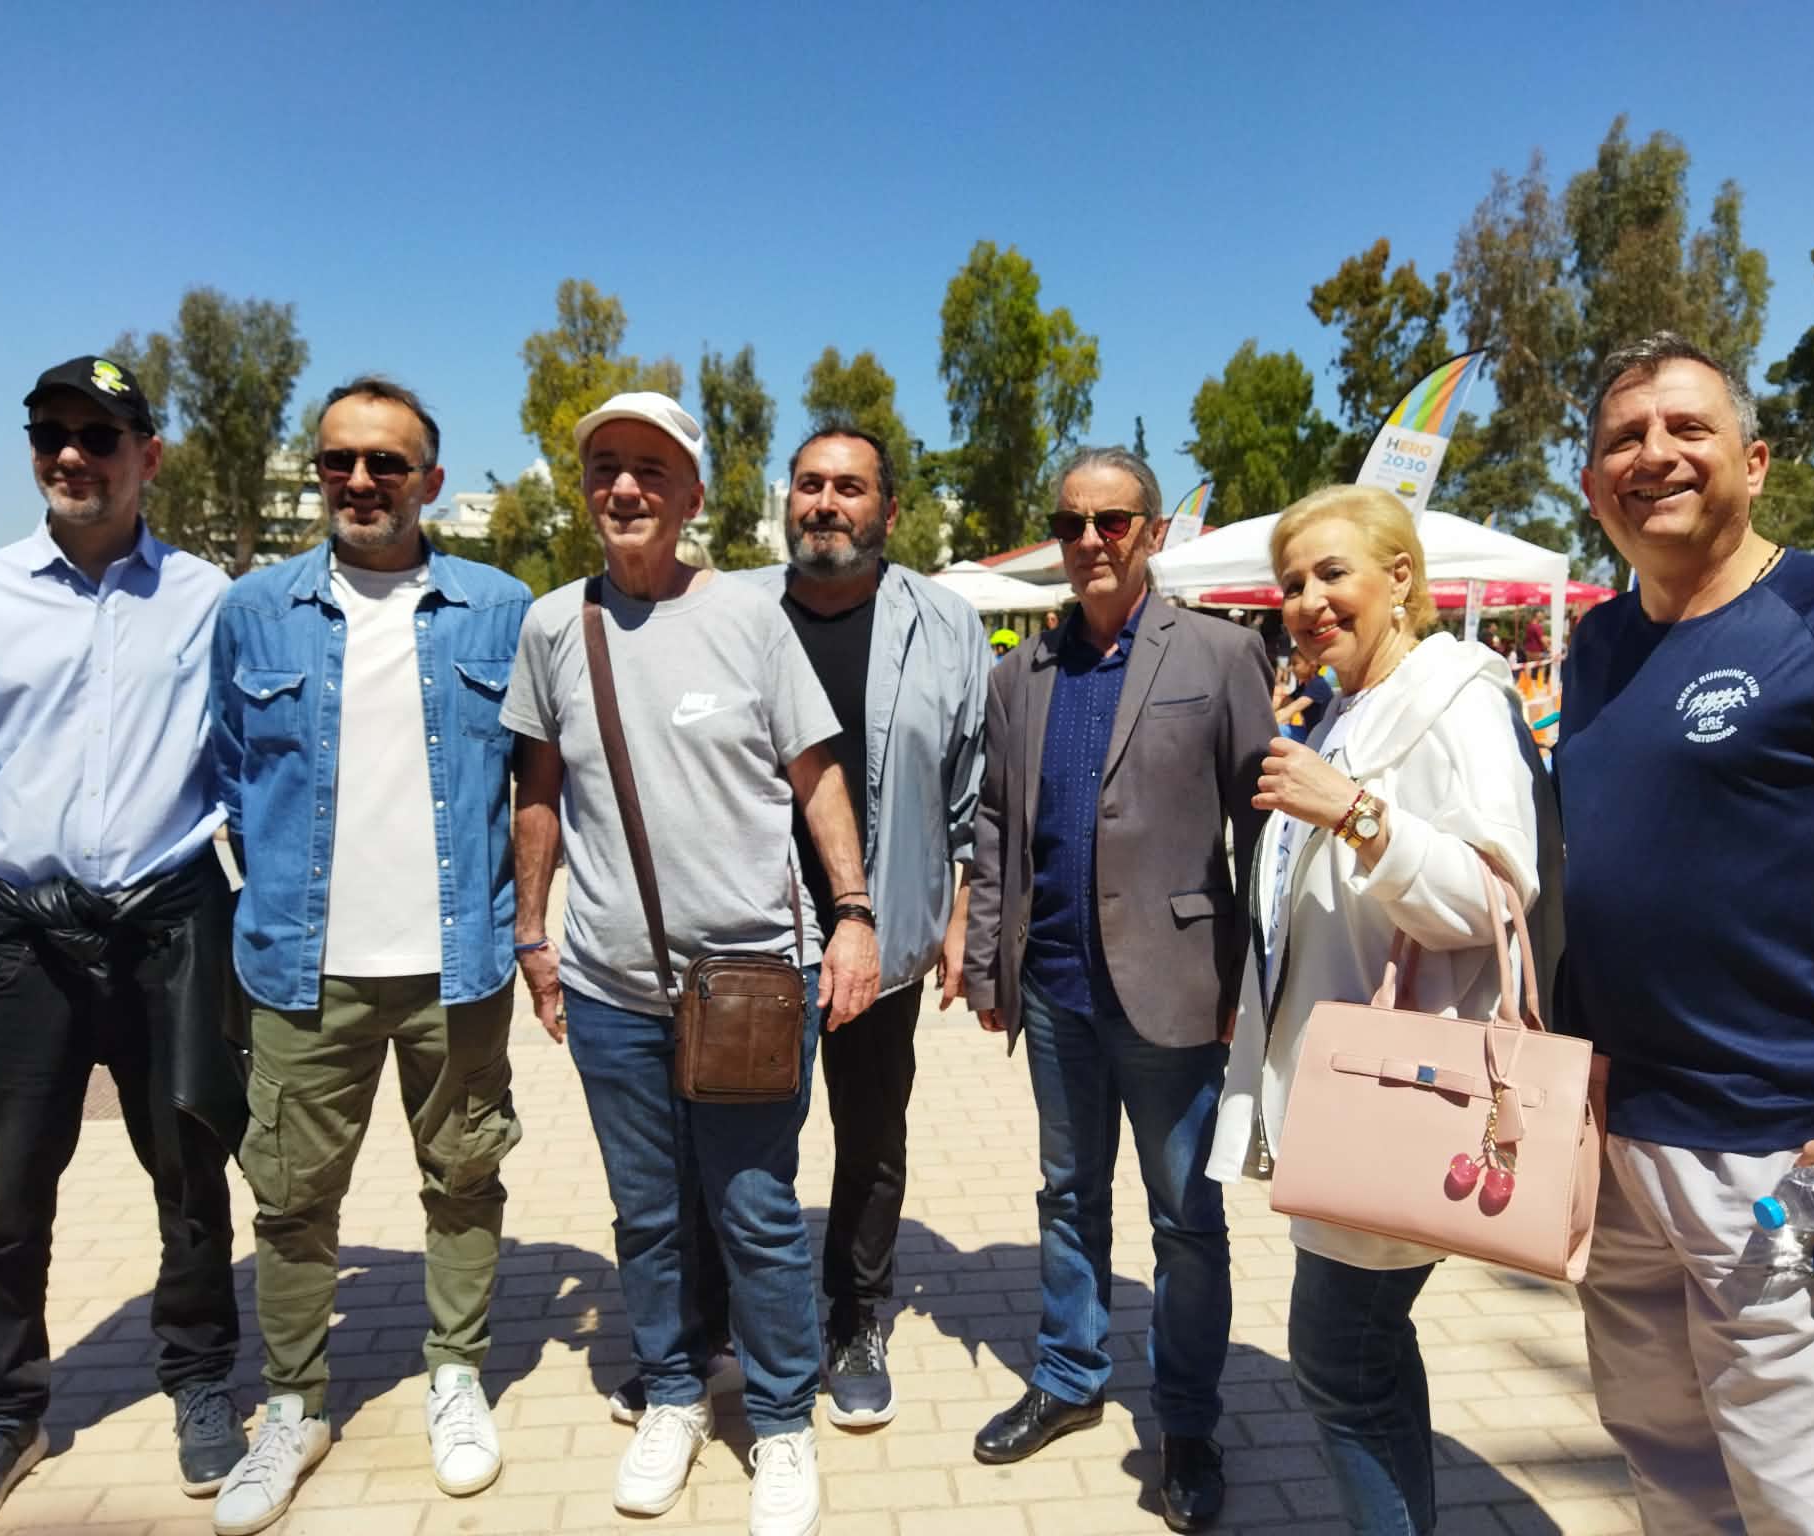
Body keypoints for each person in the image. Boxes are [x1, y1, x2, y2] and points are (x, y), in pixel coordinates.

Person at [1558, 332, 1814, 1533]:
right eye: (1622, 438)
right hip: (1620, 1150)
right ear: (1590, 487)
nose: (1653, 454)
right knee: (1669, 1482)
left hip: (1784, 1153)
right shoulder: (1595, 647)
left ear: (1755, 461)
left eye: (1687, 428)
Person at [504, 391, 882, 1536]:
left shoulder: (751, 619)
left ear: (692, 495)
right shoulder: (552, 627)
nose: (624, 487)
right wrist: (532, 933)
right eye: (605, 467)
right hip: (611, 985)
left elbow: (817, 777)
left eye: (650, 469)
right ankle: (672, 1393)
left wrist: (853, 913)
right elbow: (538, 792)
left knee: (756, 1212)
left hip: (751, 983)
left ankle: (780, 1419)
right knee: (648, 1216)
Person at [0, 357, 247, 1535]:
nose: (69, 455)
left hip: (169, 927)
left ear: (146, 456)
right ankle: (5, 1411)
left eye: (97, 437)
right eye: (49, 433)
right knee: (6, 1194)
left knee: (191, 1173)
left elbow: (244, 769)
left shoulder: (209, 598)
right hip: (18, 938)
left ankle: (200, 1378)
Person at [599, 427, 992, 1434]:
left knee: (869, 1137)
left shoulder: (945, 625)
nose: (825, 504)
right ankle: (709, 1331)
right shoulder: (727, 610)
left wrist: (962, 914)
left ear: (887, 511)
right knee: (719, 1152)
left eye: (849, 488)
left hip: (879, 939)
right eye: (809, 485)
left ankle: (853, 1317)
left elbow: (971, 788)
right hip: (746, 942)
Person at [205, 378, 532, 1533]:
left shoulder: (499, 609)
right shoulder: (255, 611)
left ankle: (455, 1374)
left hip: (460, 964)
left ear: (428, 481)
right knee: (290, 1198)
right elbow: (229, 776)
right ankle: (293, 1405)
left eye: (385, 462)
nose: (358, 481)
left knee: (464, 1177)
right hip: (303, 970)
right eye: (337, 460)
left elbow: (537, 783)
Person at [1207, 484, 1552, 1535]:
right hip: (1344, 1090)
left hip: (1401, 1098)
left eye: (1332, 573)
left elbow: (1495, 895)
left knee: (1337, 1362)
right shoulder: (1347, 706)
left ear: (1400, 578)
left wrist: (1356, 813)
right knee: (1368, 1357)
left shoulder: (1455, 695)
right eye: (1292, 584)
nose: (1307, 602)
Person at [964, 446, 1275, 1533]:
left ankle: (1186, 1420)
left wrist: (1256, 980)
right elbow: (995, 825)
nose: (1089, 541)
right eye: (1071, 523)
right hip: (1055, 990)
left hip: (1176, 990)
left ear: (1152, 532)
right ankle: (1067, 1375)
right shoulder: (1022, 673)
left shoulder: (1221, 654)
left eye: (1112, 521)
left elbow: (1261, 829)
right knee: (1067, 1195)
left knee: (1185, 1218)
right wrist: (987, 957)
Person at [1276, 651, 1333, 740]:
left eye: (1295, 664)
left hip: (1321, 737)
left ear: (1312, 664)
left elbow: (1291, 709)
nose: (1291, 668)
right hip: (1308, 732)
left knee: (1276, 731)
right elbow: (1283, 704)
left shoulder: (1318, 685)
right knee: (1279, 729)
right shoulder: (1304, 687)